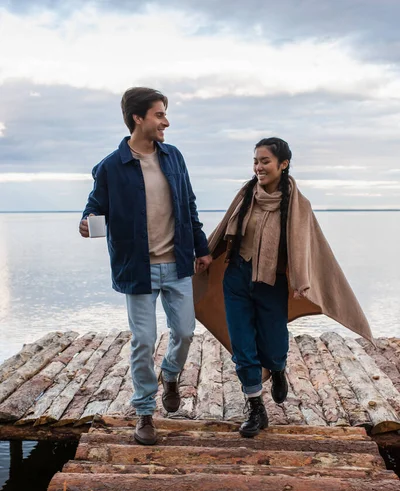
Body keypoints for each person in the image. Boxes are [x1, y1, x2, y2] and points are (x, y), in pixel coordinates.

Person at [193, 137, 373, 439]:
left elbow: (303, 243)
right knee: (242, 347)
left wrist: (302, 280)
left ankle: (277, 369)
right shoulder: (247, 193)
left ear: (283, 164)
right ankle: (255, 407)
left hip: (272, 282)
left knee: (274, 345)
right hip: (236, 277)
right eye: (255, 161)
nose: (258, 167)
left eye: (264, 161)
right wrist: (206, 254)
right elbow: (225, 228)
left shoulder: (298, 203)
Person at [79, 87, 212, 446]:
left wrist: (201, 247)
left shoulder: (174, 157)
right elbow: (94, 207)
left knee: (184, 332)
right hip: (136, 268)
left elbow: (189, 204)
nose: (165, 121)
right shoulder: (110, 166)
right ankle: (144, 413)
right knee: (143, 340)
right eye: (159, 114)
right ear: (138, 118)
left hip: (178, 262)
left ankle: (170, 375)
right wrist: (86, 220)